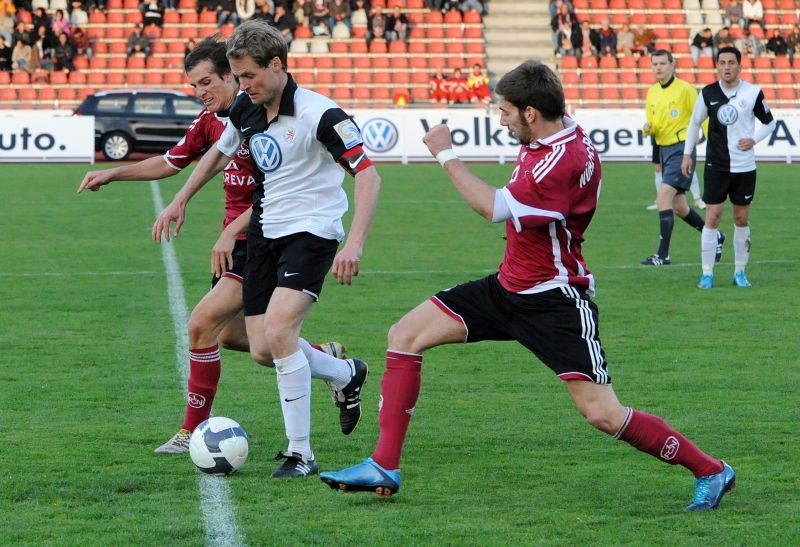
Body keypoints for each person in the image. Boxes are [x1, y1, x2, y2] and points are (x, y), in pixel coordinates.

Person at [319, 60, 736, 513]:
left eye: (505, 112)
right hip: (508, 287)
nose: (501, 120)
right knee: (404, 335)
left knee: (602, 413)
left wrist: (445, 153)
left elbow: (493, 207)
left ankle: (712, 469)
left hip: (554, 300)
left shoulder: (565, 158)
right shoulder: (554, 135)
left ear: (531, 112)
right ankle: (384, 464)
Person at [77, 37, 362, 456]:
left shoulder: (276, 117)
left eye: (207, 82)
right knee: (246, 343)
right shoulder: (216, 122)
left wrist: (231, 231)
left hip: (262, 239)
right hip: (237, 241)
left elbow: (275, 192)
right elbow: (174, 161)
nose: (200, 93)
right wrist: (116, 174)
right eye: (194, 86)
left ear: (232, 75)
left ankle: (193, 430)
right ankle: (332, 363)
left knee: (202, 325)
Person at [158, 20, 381, 478]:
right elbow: (220, 152)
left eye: (248, 76)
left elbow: (369, 175)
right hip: (264, 234)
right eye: (237, 77)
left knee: (279, 332)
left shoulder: (322, 114)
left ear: (276, 65)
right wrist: (182, 198)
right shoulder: (246, 108)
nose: (242, 86)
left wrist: (354, 242)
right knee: (262, 348)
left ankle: (300, 453)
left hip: (312, 233)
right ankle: (345, 374)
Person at [681, 46, 776, 289]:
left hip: (744, 166)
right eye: (722, 62)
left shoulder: (753, 92)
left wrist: (754, 139)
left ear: (739, 66)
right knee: (713, 215)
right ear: (717, 66)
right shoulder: (708, 93)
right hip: (716, 164)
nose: (726, 67)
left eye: (731, 62)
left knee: (741, 217)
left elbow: (769, 123)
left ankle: (740, 272)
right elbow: (694, 123)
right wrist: (687, 154)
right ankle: (707, 272)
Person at [640, 49, 715, 266]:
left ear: (672, 65)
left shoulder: (685, 90)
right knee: (680, 207)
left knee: (663, 198)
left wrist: (712, 143)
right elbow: (652, 124)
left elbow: (702, 117)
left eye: (663, 63)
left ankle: (663, 255)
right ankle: (713, 235)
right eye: (655, 64)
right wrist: (647, 129)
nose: (659, 67)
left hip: (682, 149)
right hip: (664, 150)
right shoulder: (652, 92)